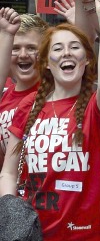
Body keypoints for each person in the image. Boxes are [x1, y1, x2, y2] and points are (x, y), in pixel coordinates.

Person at [0, 0, 100, 239]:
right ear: (46, 62)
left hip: (91, 234)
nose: (66, 53)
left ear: (86, 59)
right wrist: (12, 219)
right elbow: (9, 172)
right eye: (58, 48)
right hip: (36, 233)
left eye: (75, 47)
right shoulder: (29, 105)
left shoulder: (94, 105)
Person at [0, 10, 45, 171]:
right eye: (15, 48)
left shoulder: (56, 93)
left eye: (31, 48)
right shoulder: (3, 96)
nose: (23, 55)